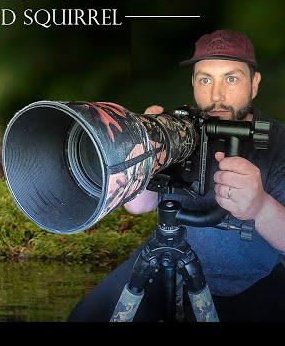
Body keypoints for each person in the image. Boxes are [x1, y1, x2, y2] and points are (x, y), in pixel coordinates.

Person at [68, 29, 285, 321]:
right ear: (193, 83)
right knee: (86, 316)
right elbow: (139, 206)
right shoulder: (179, 130)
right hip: (166, 262)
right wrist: (143, 148)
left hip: (251, 283)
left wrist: (260, 206)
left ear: (254, 84)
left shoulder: (278, 144)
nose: (216, 95)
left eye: (231, 79)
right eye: (205, 79)